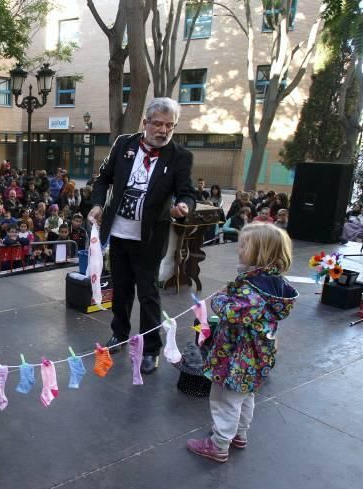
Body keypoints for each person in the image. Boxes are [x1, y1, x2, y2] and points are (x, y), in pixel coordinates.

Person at [88, 97, 197, 374]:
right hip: (120, 232)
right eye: (158, 124)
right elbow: (103, 178)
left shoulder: (180, 156)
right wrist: (98, 204)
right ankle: (120, 333)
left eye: (169, 126)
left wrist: (184, 206)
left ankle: (151, 349)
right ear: (145, 123)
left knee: (148, 294)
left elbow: (187, 191)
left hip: (150, 236)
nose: (163, 130)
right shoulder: (124, 144)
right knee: (121, 288)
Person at [186, 223, 297, 462]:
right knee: (245, 396)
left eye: (244, 245)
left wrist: (221, 298)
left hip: (236, 357)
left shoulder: (253, 290)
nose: (239, 249)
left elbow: (232, 313)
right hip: (254, 357)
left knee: (224, 399)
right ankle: (239, 434)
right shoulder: (271, 284)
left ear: (261, 252)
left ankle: (218, 444)